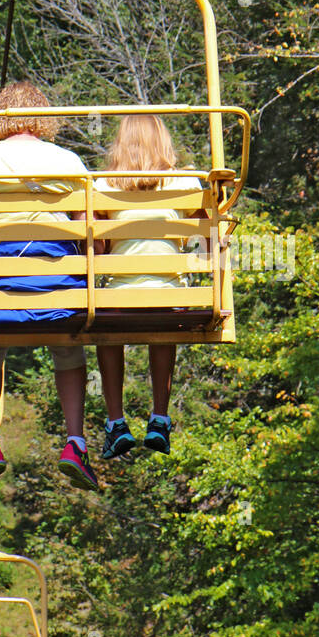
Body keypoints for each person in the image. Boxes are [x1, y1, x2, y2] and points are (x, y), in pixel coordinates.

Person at [0, 81, 101, 493]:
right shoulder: (69, 162)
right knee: (67, 343)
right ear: (44, 118)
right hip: (62, 294)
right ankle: (75, 442)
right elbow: (96, 236)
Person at [94, 114, 204, 458]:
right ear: (163, 142)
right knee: (165, 321)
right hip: (168, 298)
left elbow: (96, 248)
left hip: (118, 299)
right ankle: (159, 416)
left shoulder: (102, 187)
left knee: (106, 332)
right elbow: (205, 238)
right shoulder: (185, 184)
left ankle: (116, 421)